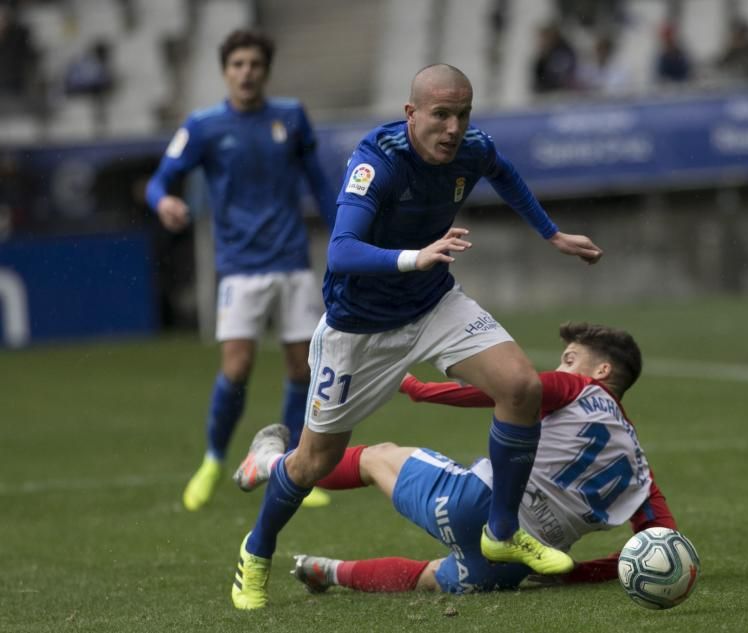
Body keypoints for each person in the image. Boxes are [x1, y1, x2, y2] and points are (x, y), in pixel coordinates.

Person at [228, 63, 604, 609]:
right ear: (411, 114)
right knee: (313, 462)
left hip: (433, 305)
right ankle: (255, 552)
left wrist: (551, 233)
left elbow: (503, 172)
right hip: (358, 328)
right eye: (441, 115)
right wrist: (416, 256)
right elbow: (341, 250)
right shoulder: (376, 161)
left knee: (520, 386)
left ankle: (501, 532)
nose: (454, 128)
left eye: (463, 114)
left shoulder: (472, 148)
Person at [236, 322, 676, 594]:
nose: (561, 368)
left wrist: (418, 389)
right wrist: (578, 573)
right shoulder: (640, 468)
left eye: (569, 358)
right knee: (431, 578)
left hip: (476, 507)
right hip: (517, 564)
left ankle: (272, 462)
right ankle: (326, 572)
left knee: (377, 457)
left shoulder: (580, 390)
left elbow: (509, 389)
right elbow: (661, 540)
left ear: (600, 372)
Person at [144, 29, 338, 512]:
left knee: (303, 367)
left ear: (265, 71)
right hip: (239, 268)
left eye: (254, 64)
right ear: (225, 71)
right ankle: (212, 459)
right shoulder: (204, 125)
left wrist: (345, 237)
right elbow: (160, 181)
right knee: (237, 365)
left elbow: (320, 183)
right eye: (238, 64)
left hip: (292, 261)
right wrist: (164, 201)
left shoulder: (290, 117)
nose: (246, 72)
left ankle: (294, 465)